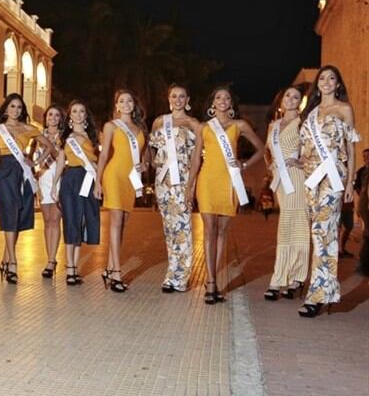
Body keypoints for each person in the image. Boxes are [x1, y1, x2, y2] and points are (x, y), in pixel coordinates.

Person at [298, 66, 359, 317]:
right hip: (312, 178)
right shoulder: (310, 113)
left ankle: (318, 294)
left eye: (331, 78)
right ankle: (323, 290)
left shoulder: (344, 110)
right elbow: (305, 148)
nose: (326, 82)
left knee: (325, 231)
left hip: (333, 176)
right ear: (317, 85)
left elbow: (351, 148)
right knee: (318, 233)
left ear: (338, 84)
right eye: (322, 78)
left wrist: (350, 183)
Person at [195, 86, 265, 304]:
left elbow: (262, 149)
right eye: (218, 97)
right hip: (207, 181)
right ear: (212, 103)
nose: (222, 100)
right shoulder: (205, 127)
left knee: (222, 232)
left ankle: (214, 279)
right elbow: (196, 158)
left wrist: (244, 164)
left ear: (231, 104)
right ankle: (211, 283)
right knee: (209, 230)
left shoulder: (239, 125)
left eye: (226, 98)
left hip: (229, 182)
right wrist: (190, 185)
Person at [0, 93, 54, 284]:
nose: (15, 110)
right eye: (12, 106)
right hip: (4, 172)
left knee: (17, 213)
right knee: (9, 211)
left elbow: (49, 147)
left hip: (23, 172)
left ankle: (6, 259)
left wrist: (35, 163)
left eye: (19, 107)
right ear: (6, 108)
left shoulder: (29, 129)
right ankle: (13, 262)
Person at [148, 84, 202, 294]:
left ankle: (180, 278)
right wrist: (153, 164)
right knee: (169, 229)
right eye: (174, 96)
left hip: (183, 180)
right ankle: (171, 273)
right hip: (163, 182)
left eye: (182, 96)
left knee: (183, 228)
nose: (178, 99)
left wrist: (191, 186)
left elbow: (197, 157)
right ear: (168, 99)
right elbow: (151, 149)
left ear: (187, 99)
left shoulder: (193, 123)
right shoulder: (160, 121)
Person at [95, 89, 149, 293]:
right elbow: (103, 155)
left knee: (123, 223)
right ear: (116, 105)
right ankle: (116, 273)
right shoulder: (111, 126)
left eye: (129, 100)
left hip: (131, 179)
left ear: (134, 105)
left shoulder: (140, 128)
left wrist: (143, 165)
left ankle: (109, 268)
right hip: (114, 176)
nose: (126, 104)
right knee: (116, 222)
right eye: (121, 101)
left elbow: (143, 157)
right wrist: (98, 182)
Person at [262, 86, 309, 300]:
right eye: (288, 95)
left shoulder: (303, 123)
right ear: (281, 100)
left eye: (296, 97)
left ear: (300, 102)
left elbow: (314, 152)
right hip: (281, 181)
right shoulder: (273, 126)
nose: (291, 99)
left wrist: (300, 162)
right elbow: (266, 151)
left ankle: (288, 279)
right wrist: (270, 166)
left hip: (298, 179)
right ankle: (289, 279)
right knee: (288, 227)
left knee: (297, 227)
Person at [54, 100, 100, 286]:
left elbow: (99, 161)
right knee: (70, 219)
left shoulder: (94, 137)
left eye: (82, 111)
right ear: (70, 116)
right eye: (75, 111)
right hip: (71, 179)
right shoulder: (65, 137)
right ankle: (70, 268)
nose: (79, 114)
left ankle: (75, 267)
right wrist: (54, 184)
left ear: (86, 115)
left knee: (81, 220)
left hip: (88, 179)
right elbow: (60, 161)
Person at [35, 104, 65, 278]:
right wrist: (37, 185)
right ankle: (49, 258)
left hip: (59, 178)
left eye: (56, 115)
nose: (52, 118)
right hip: (44, 179)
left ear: (60, 118)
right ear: (45, 118)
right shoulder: (38, 136)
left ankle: (52, 260)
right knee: (47, 221)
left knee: (56, 219)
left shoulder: (64, 136)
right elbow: (33, 160)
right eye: (50, 115)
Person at [355, 148, 369, 276]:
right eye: (364, 156)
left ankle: (363, 264)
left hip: (365, 206)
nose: (366, 158)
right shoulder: (362, 171)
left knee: (367, 235)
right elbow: (360, 189)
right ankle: (363, 265)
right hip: (366, 207)